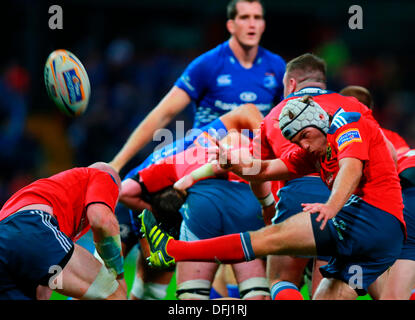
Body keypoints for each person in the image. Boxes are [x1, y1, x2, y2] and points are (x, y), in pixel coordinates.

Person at [140, 95, 406, 300]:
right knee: (327, 293)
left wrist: (332, 206)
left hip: (371, 217)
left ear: (319, 121)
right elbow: (266, 168)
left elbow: (352, 167)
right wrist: (235, 165)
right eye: (297, 140)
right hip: (381, 238)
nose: (303, 145)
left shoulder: (347, 123)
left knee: (270, 239)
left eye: (305, 136)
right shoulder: (311, 152)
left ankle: (175, 249)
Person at [109, 0, 285, 173]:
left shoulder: (276, 66)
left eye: (257, 18)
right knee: (135, 184)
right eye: (245, 17)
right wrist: (117, 163)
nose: (252, 24)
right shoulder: (207, 65)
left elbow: (282, 120)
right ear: (231, 25)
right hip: (206, 160)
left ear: (263, 24)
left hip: (252, 166)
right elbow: (163, 114)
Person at [115, 103, 263, 299]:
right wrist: (270, 143)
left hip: (184, 206)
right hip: (239, 203)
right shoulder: (207, 146)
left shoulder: (174, 161)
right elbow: (247, 114)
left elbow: (124, 191)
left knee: (126, 283)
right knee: (259, 289)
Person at [0, 162, 127, 300]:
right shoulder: (103, 176)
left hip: (7, 239)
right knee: (115, 294)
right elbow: (102, 220)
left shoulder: (59, 198)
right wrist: (118, 275)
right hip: (33, 224)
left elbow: (45, 282)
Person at [340, 85, 415, 300]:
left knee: (356, 257)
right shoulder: (390, 137)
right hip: (407, 186)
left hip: (402, 198)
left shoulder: (343, 135)